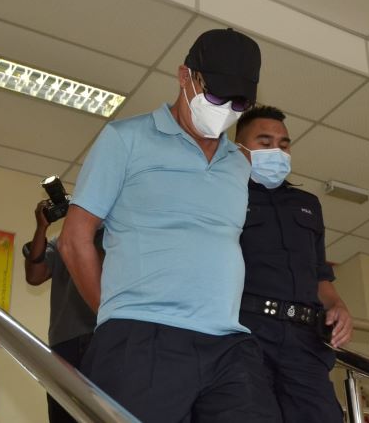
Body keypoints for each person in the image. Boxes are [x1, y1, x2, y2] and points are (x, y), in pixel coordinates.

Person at [58, 29, 281, 423]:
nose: (226, 109)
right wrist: (115, 316)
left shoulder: (238, 164)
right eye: (217, 96)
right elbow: (74, 240)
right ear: (185, 77)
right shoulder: (125, 138)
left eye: (239, 103)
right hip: (142, 334)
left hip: (230, 344)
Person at [235, 105, 353, 423]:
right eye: (264, 143)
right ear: (239, 148)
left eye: (283, 145)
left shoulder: (307, 204)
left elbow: (319, 273)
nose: (276, 151)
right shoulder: (225, 194)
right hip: (247, 332)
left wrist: (337, 304)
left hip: (304, 338)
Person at [22, 200, 103, 423]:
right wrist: (41, 227)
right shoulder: (62, 241)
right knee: (61, 413)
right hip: (63, 342)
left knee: (99, 413)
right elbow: (34, 275)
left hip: (100, 338)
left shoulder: (115, 238)